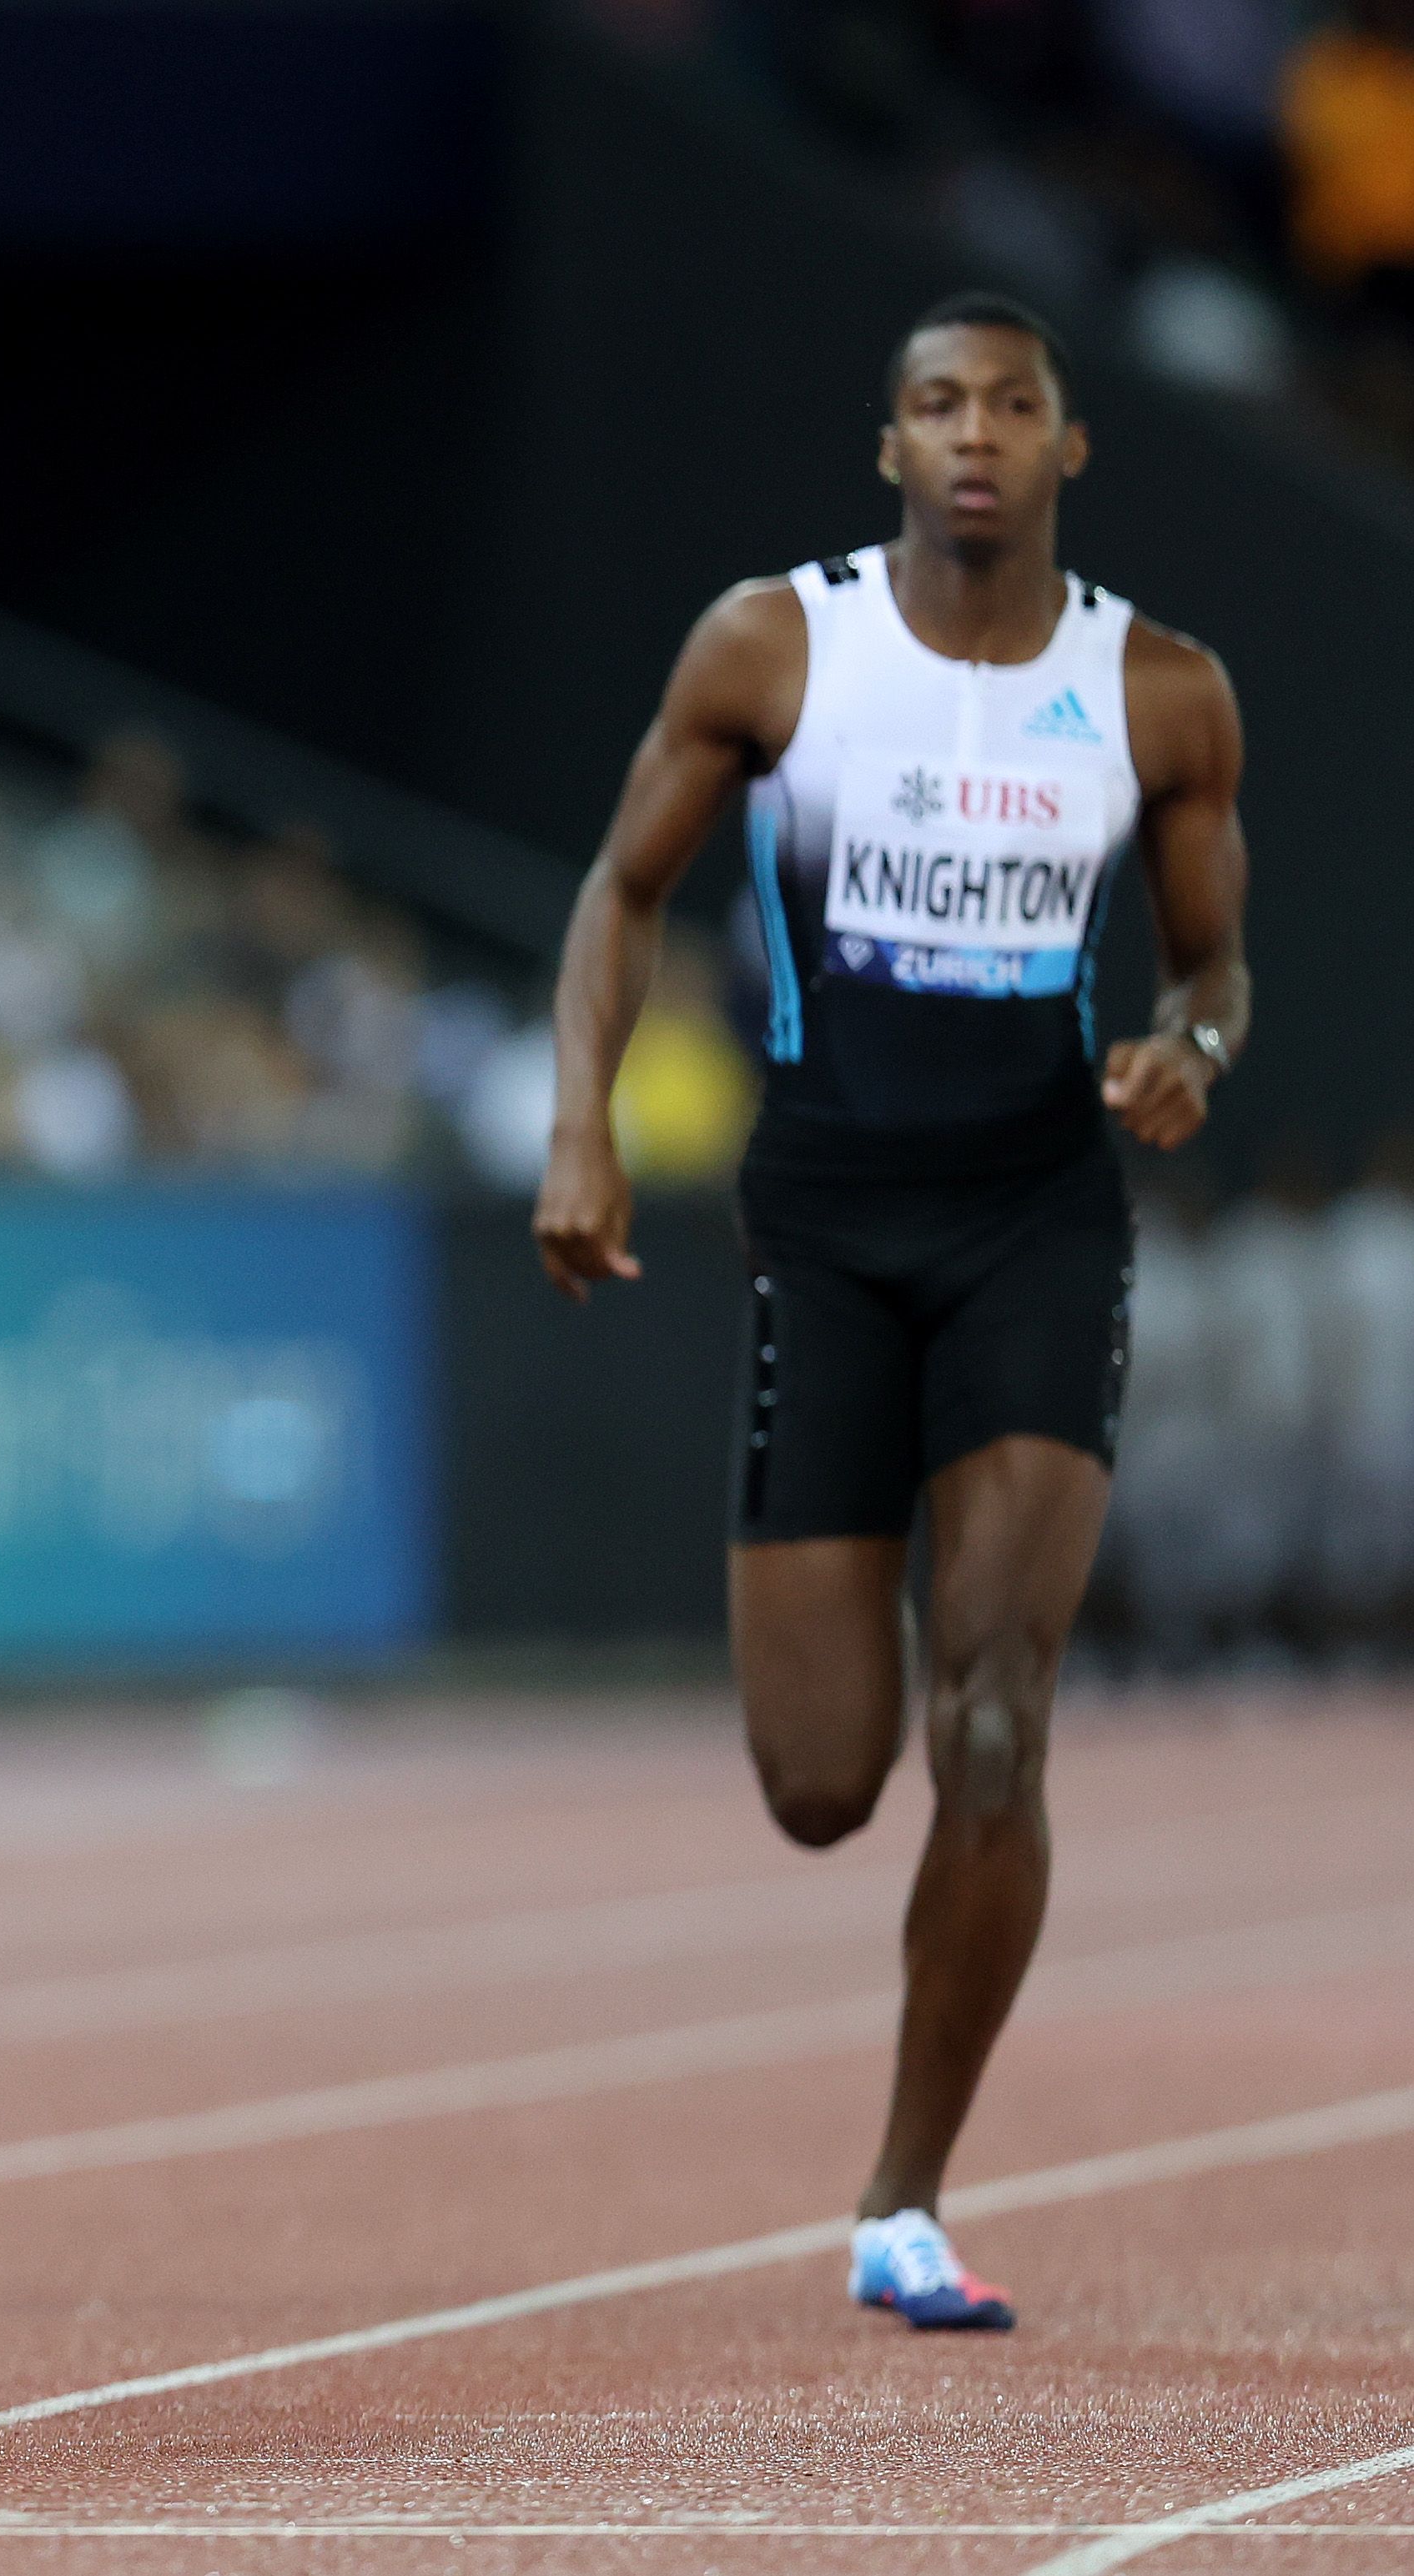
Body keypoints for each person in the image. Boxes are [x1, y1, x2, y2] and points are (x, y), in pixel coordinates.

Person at [535, 292, 1251, 2332]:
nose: (974, 438)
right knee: (824, 1781)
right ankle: (894, 2132)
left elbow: (1215, 966)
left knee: (998, 1719)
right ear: (890, 449)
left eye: (1012, 407)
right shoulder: (775, 644)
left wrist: (1192, 1041)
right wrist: (580, 1121)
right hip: (828, 1230)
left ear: (1066, 448)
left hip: (1040, 1221)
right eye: (936, 405)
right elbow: (620, 889)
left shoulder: (1163, 690)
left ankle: (902, 2195)